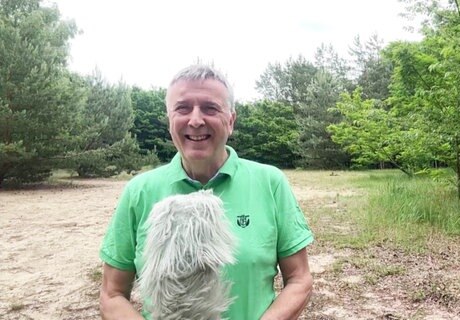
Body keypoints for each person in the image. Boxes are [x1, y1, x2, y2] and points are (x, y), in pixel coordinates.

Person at [99, 64, 314, 320]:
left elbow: (299, 279)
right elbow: (112, 294)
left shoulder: (270, 182)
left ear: (231, 121)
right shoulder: (139, 191)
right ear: (170, 121)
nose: (196, 120)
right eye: (183, 108)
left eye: (210, 108)